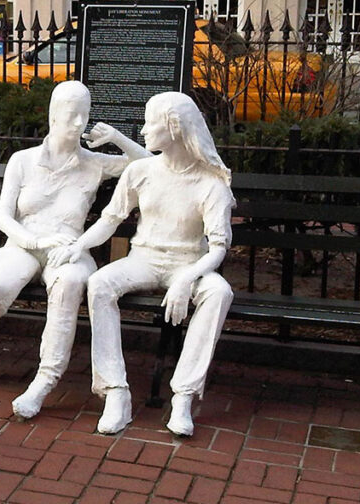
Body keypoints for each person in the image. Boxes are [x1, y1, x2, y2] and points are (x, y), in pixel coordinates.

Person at [0, 81, 150, 420]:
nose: (78, 124)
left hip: (69, 249)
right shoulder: (22, 161)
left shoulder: (95, 162)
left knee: (70, 284)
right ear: (53, 115)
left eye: (83, 116)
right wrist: (35, 241)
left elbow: (149, 164)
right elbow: (4, 217)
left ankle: (44, 380)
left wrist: (115, 137)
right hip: (25, 243)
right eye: (71, 115)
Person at [50, 91, 235, 437]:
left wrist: (186, 280)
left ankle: (183, 396)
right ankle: (115, 392)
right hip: (144, 259)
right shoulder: (141, 171)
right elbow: (110, 220)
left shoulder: (211, 185)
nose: (144, 130)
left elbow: (218, 249)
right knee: (101, 283)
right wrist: (79, 245)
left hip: (189, 263)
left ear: (174, 128)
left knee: (219, 292)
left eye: (151, 122)